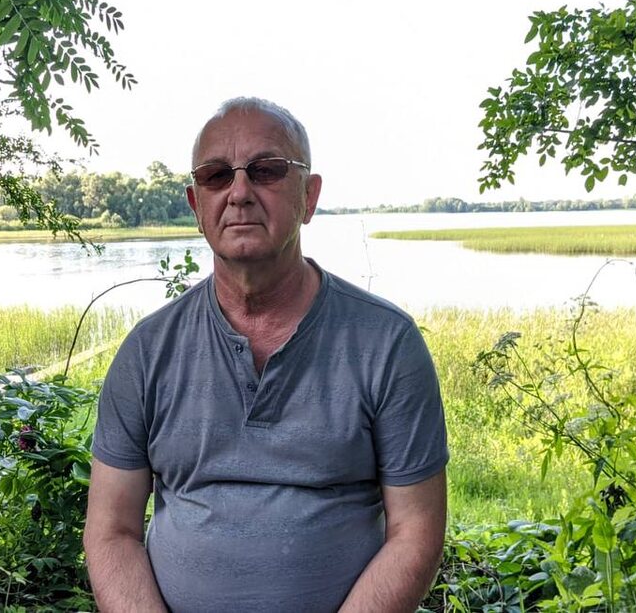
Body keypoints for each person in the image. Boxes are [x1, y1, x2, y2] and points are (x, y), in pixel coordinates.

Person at [83, 97, 448, 612]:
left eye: (267, 170)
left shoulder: (386, 344)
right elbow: (112, 532)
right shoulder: (147, 352)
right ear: (196, 205)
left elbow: (416, 531)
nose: (239, 193)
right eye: (216, 176)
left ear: (309, 197)